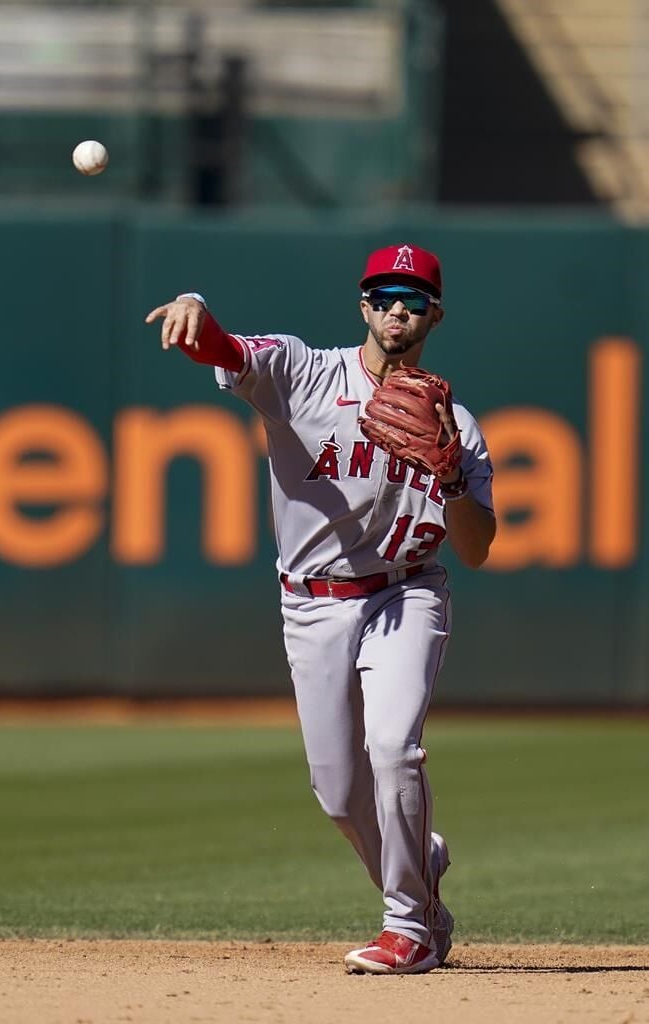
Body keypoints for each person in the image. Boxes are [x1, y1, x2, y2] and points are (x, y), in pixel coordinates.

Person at [146, 242, 496, 975]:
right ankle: (418, 861)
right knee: (339, 794)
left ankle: (410, 925)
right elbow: (229, 350)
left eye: (414, 299)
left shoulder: (455, 422)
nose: (396, 309)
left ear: (435, 313)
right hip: (312, 603)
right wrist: (195, 310)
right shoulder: (304, 372)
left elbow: (476, 548)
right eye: (383, 295)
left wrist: (454, 477)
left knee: (395, 750)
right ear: (362, 303)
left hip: (407, 592)